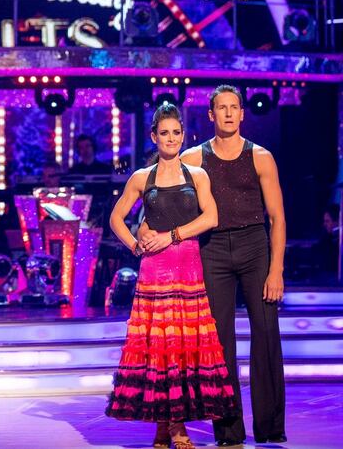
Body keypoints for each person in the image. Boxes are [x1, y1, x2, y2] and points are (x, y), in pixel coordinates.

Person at [142, 85, 287, 446]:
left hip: (255, 247)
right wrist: (145, 228)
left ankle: (270, 427)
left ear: (241, 114)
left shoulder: (261, 157)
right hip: (213, 250)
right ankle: (228, 430)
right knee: (218, 343)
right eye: (220, 108)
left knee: (266, 333)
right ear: (210, 115)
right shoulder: (193, 157)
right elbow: (159, 195)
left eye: (233, 107)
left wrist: (276, 269)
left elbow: (277, 217)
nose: (227, 113)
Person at [105, 104, 238, 449]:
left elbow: (211, 217)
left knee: (182, 347)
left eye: (176, 132)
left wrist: (173, 235)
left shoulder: (197, 175)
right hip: (155, 272)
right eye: (164, 133)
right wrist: (136, 245)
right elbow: (116, 218)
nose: (171, 139)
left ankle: (173, 427)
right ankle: (168, 427)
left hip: (188, 268)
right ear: (154, 137)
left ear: (183, 135)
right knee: (160, 349)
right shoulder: (141, 177)